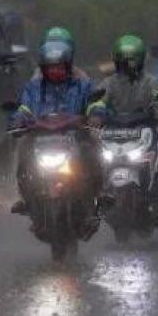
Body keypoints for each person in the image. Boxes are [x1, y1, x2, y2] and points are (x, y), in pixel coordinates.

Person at [87, 34, 158, 224]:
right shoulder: (109, 83)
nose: (129, 64)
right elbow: (97, 101)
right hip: (113, 132)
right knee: (92, 159)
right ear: (117, 60)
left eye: (133, 60)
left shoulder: (151, 82)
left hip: (144, 130)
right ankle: (94, 197)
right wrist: (95, 113)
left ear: (142, 60)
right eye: (125, 60)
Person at [10, 38, 99, 216]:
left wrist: (96, 115)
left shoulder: (82, 85)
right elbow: (24, 107)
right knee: (22, 151)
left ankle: (99, 194)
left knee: (94, 149)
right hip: (40, 136)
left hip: (74, 134)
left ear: (67, 66)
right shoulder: (33, 88)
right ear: (43, 68)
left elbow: (96, 103)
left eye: (59, 67)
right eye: (51, 67)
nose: (55, 71)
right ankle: (25, 196)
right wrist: (18, 120)